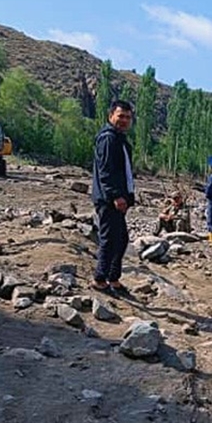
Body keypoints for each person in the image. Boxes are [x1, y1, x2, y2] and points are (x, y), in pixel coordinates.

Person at [90, 100, 136, 295]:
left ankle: (113, 278)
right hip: (109, 200)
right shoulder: (108, 139)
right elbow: (106, 171)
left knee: (121, 239)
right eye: (120, 116)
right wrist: (116, 196)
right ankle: (100, 280)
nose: (124, 120)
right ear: (111, 117)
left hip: (116, 199)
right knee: (110, 239)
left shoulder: (119, 139)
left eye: (127, 117)